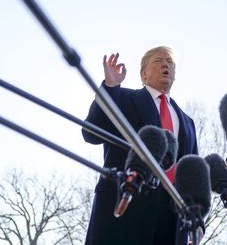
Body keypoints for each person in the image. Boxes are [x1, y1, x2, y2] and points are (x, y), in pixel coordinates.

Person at [82, 46, 198, 245]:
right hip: (125, 204)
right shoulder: (123, 98)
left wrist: (197, 221)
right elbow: (91, 133)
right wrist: (110, 87)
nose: (165, 65)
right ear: (144, 74)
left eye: (170, 63)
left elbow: (192, 175)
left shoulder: (187, 122)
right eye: (158, 61)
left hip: (172, 219)